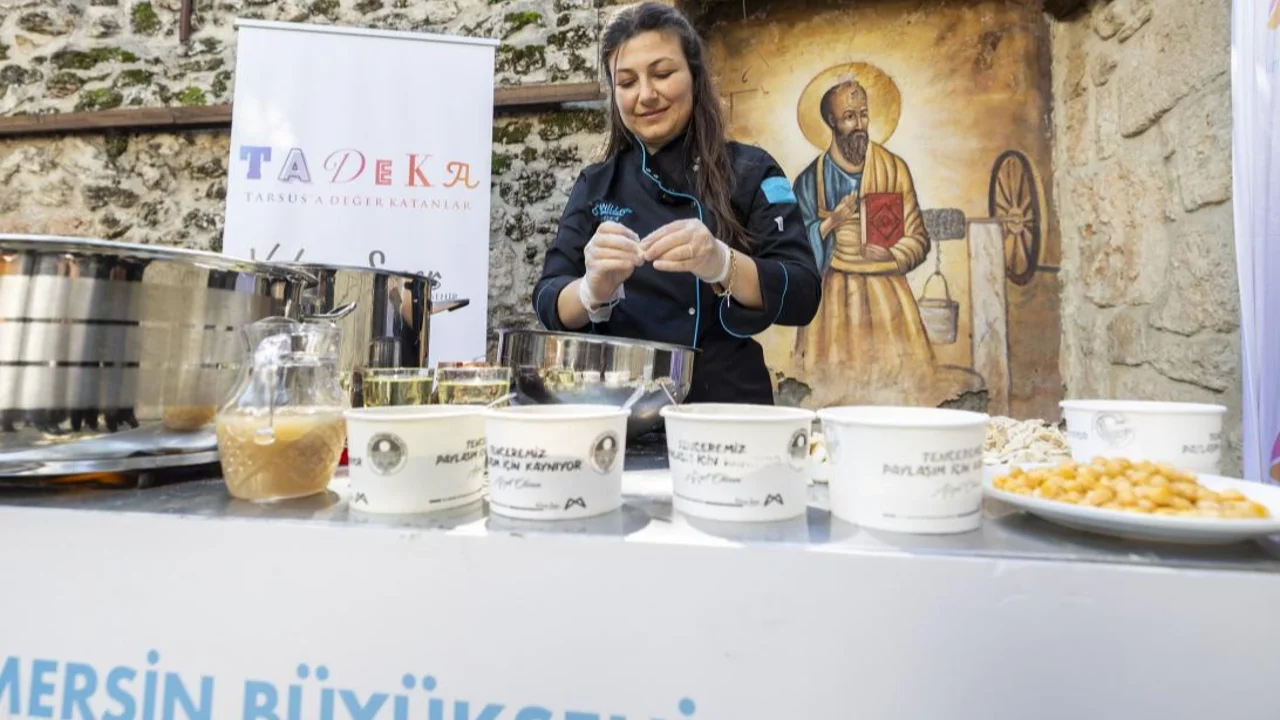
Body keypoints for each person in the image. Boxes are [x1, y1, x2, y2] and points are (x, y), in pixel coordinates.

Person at [533, 2, 821, 405]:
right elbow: (548, 299)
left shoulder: (753, 171)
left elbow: (803, 293)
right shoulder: (597, 184)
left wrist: (722, 263)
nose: (646, 95)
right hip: (622, 406)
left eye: (663, 74)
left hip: (726, 405)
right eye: (627, 82)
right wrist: (589, 291)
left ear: (694, 76)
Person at [791, 78, 935, 400]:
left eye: (863, 114)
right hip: (832, 301)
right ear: (831, 121)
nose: (859, 124)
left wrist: (892, 254)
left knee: (900, 390)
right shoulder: (810, 180)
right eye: (848, 117)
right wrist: (831, 223)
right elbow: (795, 251)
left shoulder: (894, 169)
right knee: (830, 392)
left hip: (888, 297)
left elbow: (918, 238)